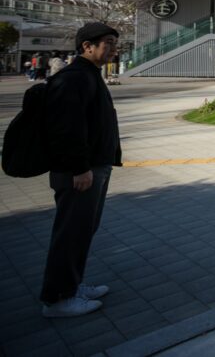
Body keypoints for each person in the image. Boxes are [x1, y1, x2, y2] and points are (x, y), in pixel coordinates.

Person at [40, 22, 122, 318]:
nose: (114, 48)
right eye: (109, 42)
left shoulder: (88, 75)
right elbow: (66, 130)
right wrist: (79, 168)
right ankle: (58, 298)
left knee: (83, 230)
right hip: (80, 172)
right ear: (87, 45)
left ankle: (72, 284)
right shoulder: (74, 78)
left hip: (92, 168)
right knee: (71, 232)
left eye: (114, 43)